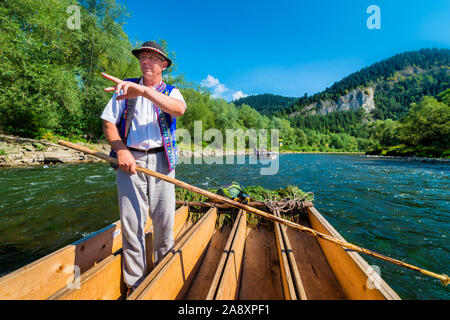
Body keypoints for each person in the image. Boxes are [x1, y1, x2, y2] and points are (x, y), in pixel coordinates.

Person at [100, 41, 187, 294]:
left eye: (152, 58)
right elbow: (108, 123)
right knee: (132, 222)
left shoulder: (171, 91)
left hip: (163, 161)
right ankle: (135, 283)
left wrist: (143, 91)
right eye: (143, 58)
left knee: (164, 219)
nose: (146, 61)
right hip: (130, 160)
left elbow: (179, 110)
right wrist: (121, 149)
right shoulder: (123, 88)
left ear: (163, 65)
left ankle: (163, 272)